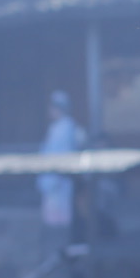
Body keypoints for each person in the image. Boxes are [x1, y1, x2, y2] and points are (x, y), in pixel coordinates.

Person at [36, 89, 86, 244]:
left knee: (60, 223)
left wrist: (52, 180)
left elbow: (60, 157)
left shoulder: (65, 129)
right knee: (54, 221)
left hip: (58, 181)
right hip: (53, 181)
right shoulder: (57, 128)